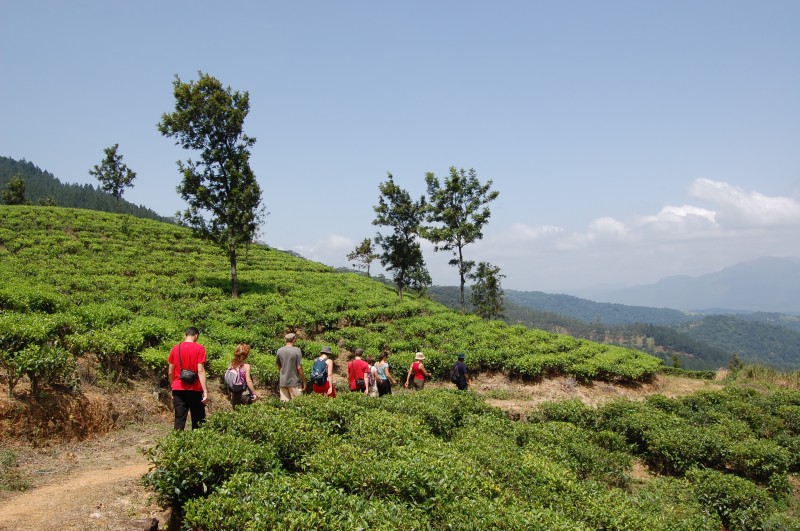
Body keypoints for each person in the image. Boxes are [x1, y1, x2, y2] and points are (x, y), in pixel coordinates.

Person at [167, 326, 208, 430]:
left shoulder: (175, 348)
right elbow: (200, 370)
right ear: (196, 336)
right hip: (195, 388)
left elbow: (170, 372)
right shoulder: (200, 348)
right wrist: (205, 391)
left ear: (185, 335)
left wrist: (172, 387)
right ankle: (197, 445)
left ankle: (177, 444)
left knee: (179, 419)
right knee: (198, 420)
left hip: (178, 388)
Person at [275, 332, 306, 401]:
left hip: (283, 382)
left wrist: (283, 373)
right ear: (294, 340)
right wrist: (304, 381)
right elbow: (299, 367)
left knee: (284, 405)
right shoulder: (297, 350)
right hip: (294, 381)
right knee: (298, 404)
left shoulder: (279, 350)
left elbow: (279, 365)